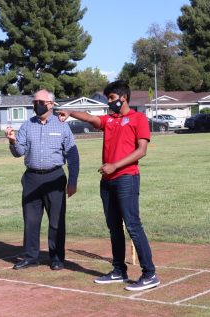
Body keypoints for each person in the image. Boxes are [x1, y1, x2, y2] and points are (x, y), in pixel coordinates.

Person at [57, 80, 160, 291]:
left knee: (132, 225)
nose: (109, 103)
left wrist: (115, 166)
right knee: (114, 227)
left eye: (111, 98)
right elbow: (91, 118)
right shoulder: (110, 120)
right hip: (107, 181)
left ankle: (149, 274)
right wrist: (70, 112)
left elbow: (141, 151)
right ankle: (118, 270)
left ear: (124, 98)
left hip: (127, 178)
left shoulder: (138, 118)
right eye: (108, 99)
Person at [5, 89, 79, 271]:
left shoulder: (62, 126)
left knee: (56, 221)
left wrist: (73, 181)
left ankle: (56, 258)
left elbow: (73, 154)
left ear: (51, 104)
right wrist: (13, 141)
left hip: (55, 178)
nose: (36, 104)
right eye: (34, 102)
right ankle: (30, 257)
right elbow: (19, 153)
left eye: (40, 101)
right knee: (30, 220)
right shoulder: (27, 125)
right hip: (31, 178)